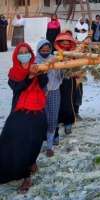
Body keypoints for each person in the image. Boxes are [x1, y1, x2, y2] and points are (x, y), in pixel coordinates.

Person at [0, 43, 48, 193]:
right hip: (19, 110)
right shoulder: (13, 72)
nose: (23, 54)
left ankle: (26, 175)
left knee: (32, 142)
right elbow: (16, 88)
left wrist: (39, 73)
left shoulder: (38, 66)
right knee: (8, 138)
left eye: (26, 51)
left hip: (37, 110)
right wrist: (29, 77)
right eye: (20, 52)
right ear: (16, 56)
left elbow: (44, 84)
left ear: (31, 53)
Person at [35, 39, 62, 157]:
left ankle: (50, 145)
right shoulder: (35, 61)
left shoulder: (55, 59)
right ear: (38, 50)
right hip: (39, 94)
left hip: (54, 91)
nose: (45, 52)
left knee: (53, 118)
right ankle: (39, 142)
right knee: (41, 119)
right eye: (43, 50)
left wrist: (60, 66)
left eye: (47, 50)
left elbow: (60, 75)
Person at [54, 31, 77, 137]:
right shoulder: (54, 54)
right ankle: (57, 121)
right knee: (57, 101)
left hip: (69, 79)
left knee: (68, 100)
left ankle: (68, 122)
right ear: (59, 43)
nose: (65, 45)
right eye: (63, 43)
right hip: (56, 80)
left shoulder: (74, 54)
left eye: (68, 43)